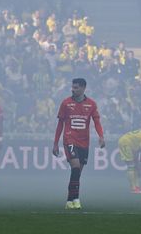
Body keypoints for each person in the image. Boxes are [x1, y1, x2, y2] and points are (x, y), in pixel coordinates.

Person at [53, 78, 105, 210]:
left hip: (84, 142)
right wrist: (55, 143)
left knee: (77, 173)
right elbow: (60, 124)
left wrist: (101, 136)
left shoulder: (92, 104)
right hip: (69, 139)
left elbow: (97, 122)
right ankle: (76, 198)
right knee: (75, 166)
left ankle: (69, 200)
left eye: (76, 87)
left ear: (83, 88)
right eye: (73, 87)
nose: (73, 89)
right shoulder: (66, 103)